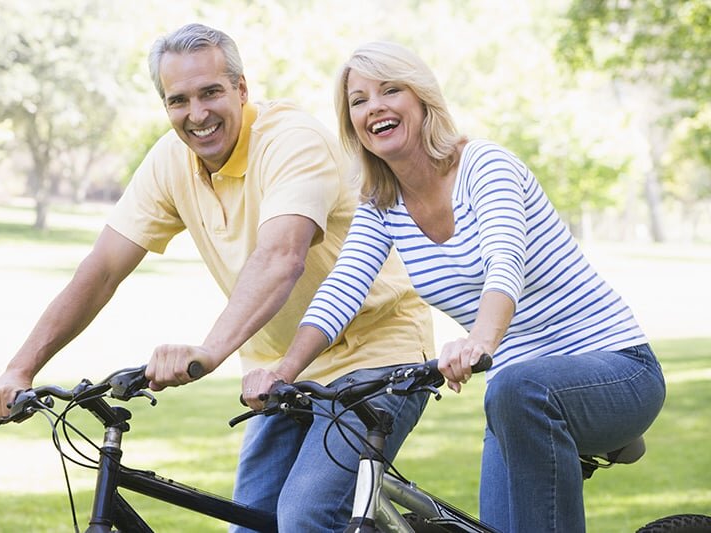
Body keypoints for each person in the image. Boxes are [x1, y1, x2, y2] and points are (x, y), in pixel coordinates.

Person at [0, 24, 435, 532]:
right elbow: (102, 269)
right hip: (277, 372)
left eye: (211, 92)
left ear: (242, 90)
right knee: (248, 524)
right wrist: (20, 369)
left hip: (374, 356)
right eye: (179, 100)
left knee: (306, 514)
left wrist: (209, 351)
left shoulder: (291, 141)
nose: (196, 114)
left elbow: (281, 256)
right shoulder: (171, 162)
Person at [243, 41, 666, 533]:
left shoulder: (484, 166)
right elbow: (343, 287)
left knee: (514, 385)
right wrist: (284, 371)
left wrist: (480, 342)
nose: (373, 106)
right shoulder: (382, 204)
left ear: (423, 100)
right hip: (516, 400)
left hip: (616, 368)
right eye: (358, 100)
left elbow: (504, 261)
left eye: (390, 90)